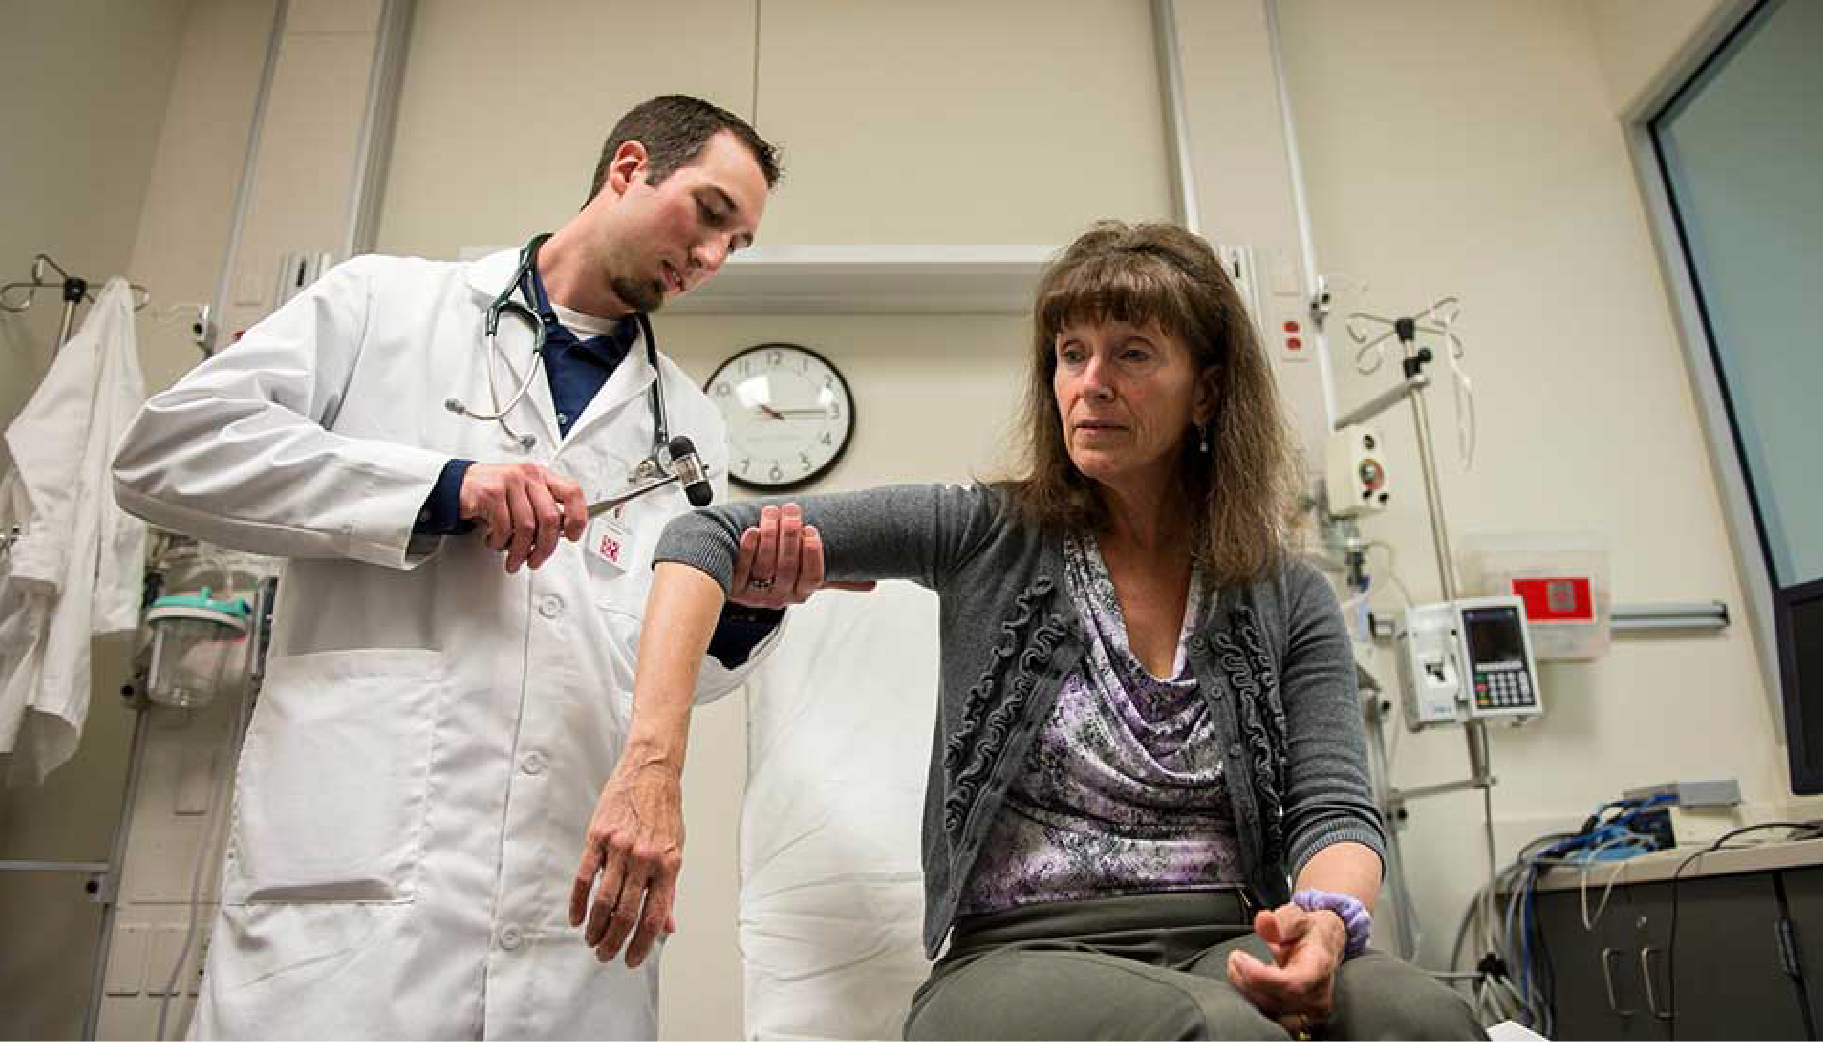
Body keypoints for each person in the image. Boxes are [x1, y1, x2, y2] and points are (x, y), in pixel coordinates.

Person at [576, 221, 1487, 1039]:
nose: (1089, 384)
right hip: (1012, 961)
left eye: (1131, 354)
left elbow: (1333, 805)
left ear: (1206, 392)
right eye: (1070, 354)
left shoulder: (1285, 592)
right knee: (1222, 1036)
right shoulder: (982, 532)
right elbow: (701, 537)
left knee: (1423, 1017)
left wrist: (1324, 923)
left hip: (1222, 939)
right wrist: (650, 770)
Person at [111, 95, 856, 1040]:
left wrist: (742, 612)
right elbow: (165, 453)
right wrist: (441, 488)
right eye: (709, 215)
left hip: (566, 906)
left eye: (736, 245)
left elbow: (657, 672)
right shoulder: (383, 305)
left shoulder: (689, 429)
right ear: (628, 167)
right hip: (357, 891)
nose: (711, 259)